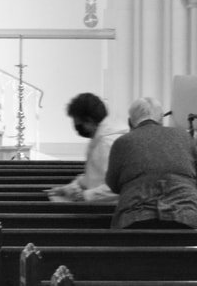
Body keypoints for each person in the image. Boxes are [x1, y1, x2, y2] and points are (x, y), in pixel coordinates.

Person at [105, 97, 197, 229]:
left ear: (130, 122)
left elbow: (112, 184)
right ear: (161, 119)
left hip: (134, 216)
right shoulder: (185, 136)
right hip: (186, 214)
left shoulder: (122, 142)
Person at [47, 92, 123, 201]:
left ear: (89, 120)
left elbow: (116, 186)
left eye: (78, 123)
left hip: (108, 210)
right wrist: (71, 188)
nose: (77, 128)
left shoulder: (108, 143)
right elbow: (94, 177)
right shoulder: (99, 138)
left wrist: (84, 196)